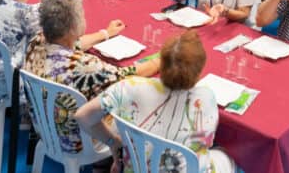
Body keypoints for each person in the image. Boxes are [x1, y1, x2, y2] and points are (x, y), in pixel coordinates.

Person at [75, 31, 236, 173]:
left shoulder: (129, 87)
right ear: (199, 72)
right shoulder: (206, 97)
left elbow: (83, 116)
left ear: (161, 64)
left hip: (137, 168)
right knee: (230, 157)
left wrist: (113, 142)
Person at [23, 0, 161, 154]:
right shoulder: (85, 66)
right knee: (135, 99)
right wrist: (161, 60)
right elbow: (127, 74)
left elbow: (77, 43)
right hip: (76, 141)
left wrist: (106, 33)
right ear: (73, 27)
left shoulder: (37, 41)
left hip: (44, 127)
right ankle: (111, 159)